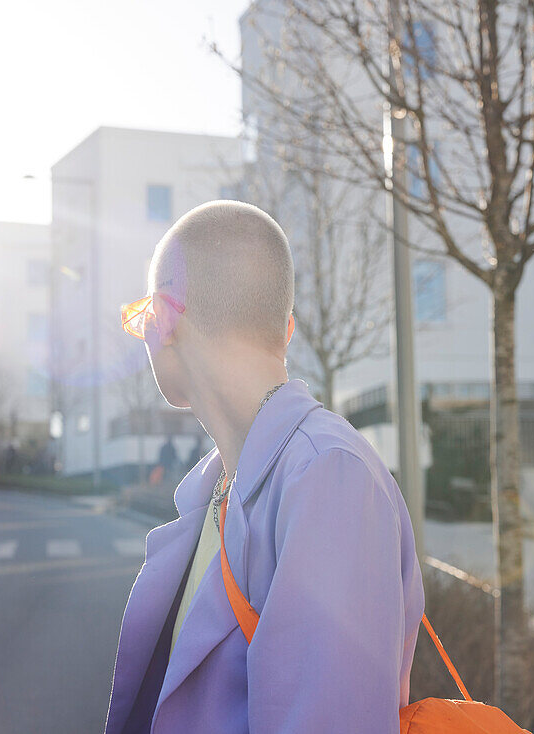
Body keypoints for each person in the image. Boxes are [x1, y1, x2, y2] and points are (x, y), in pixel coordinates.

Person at [106, 201, 425, 733]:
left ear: (164, 317)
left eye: (142, 321)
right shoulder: (224, 485)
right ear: (288, 329)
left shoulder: (327, 476)